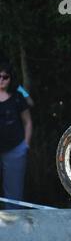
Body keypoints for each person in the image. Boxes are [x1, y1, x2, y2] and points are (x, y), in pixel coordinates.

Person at [0, 62, 33, 209]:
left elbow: (28, 118)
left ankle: (14, 225)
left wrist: (25, 145)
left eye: (5, 77)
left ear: (10, 78)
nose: (1, 80)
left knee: (14, 192)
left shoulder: (18, 95)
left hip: (15, 149)